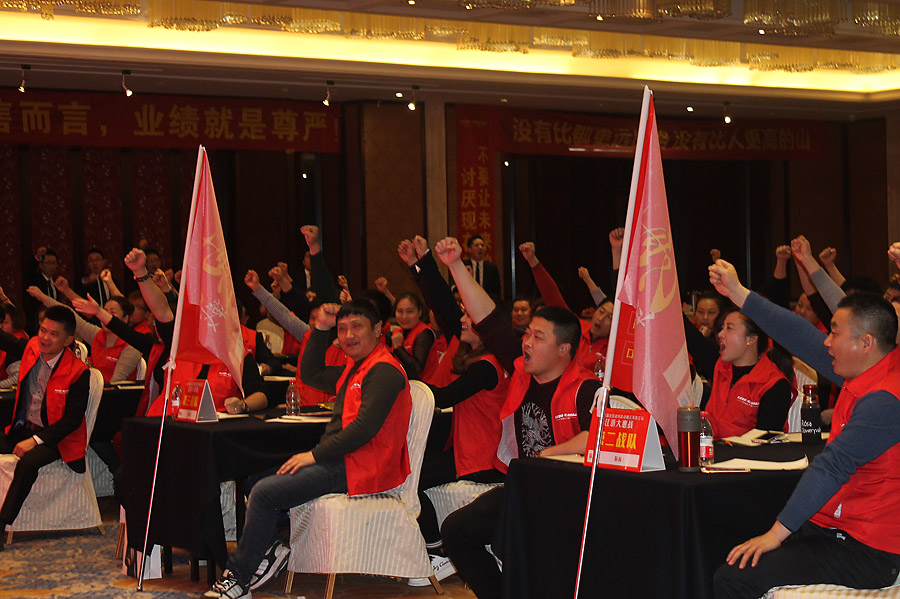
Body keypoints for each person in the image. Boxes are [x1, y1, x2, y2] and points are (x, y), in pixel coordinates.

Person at [709, 258, 900, 598]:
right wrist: (738, 293)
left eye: (834, 333)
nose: (826, 342)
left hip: (867, 549)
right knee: (729, 537)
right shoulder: (867, 366)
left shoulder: (886, 399)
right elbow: (799, 336)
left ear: (866, 343)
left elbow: (833, 466)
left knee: (735, 577)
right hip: (833, 527)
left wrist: (775, 535)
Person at [204, 299, 412, 599]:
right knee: (255, 474)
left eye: (357, 327)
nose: (348, 335)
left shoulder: (384, 371)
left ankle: (239, 578)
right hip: (343, 460)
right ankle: (271, 549)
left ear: (378, 329)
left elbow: (364, 430)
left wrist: (313, 455)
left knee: (264, 492)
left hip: (364, 467)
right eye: (342, 329)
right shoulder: (357, 366)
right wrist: (321, 328)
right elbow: (311, 373)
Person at [435, 237, 600, 599]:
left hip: (572, 496)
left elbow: (598, 437)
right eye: (526, 333)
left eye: (538, 337)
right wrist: (456, 265)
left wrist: (546, 455)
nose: (526, 342)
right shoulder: (522, 372)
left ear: (564, 349)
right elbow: (489, 319)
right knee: (458, 530)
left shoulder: (586, 388)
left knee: (514, 540)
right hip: (525, 488)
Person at [0, 305, 91, 550]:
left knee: (28, 462)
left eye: (53, 334)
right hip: (24, 427)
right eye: (42, 330)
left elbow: (72, 421)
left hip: (58, 438)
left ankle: (2, 525)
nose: (45, 338)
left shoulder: (78, 372)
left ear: (68, 340)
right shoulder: (31, 347)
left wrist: (35, 440)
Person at [391, 291, 437, 380]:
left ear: (420, 312)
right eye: (400, 311)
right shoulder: (398, 332)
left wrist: (398, 347)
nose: (404, 316)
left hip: (424, 386)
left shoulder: (425, 333)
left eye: (410, 312)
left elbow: (417, 368)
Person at [23, 248, 60, 334]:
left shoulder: (56, 282)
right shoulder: (35, 280)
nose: (52, 266)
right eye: (49, 263)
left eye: (54, 263)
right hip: (36, 324)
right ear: (41, 265)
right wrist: (37, 257)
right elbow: (29, 273)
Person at [463, 235, 501, 299]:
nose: (480, 247)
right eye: (476, 245)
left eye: (482, 245)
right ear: (469, 249)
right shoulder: (463, 266)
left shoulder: (492, 268)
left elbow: (497, 292)